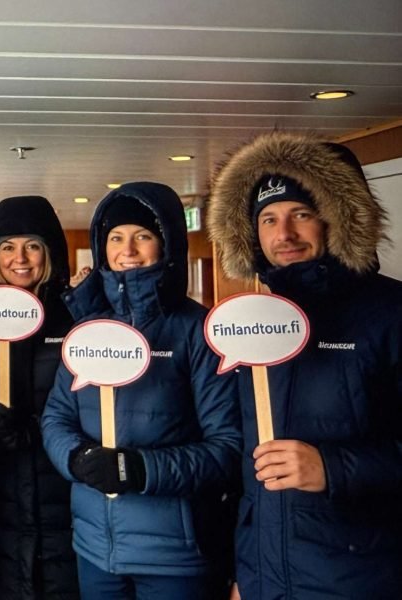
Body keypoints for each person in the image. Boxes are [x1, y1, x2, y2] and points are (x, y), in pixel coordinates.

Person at [208, 131, 402, 600]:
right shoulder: (251, 323)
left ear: (339, 218)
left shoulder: (391, 313)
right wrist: (245, 571)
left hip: (360, 574)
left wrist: (333, 467)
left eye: (301, 214)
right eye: (268, 218)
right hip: (265, 574)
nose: (284, 235)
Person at [42, 182, 242, 600]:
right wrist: (78, 458)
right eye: (116, 237)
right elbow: (56, 417)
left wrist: (141, 469)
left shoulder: (198, 331)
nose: (127, 250)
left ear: (167, 244)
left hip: (175, 555)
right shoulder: (88, 330)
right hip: (95, 548)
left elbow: (227, 447)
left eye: (143, 236)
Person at [0, 195, 79, 599]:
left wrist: (39, 429)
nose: (20, 258)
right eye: (7, 247)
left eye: (32, 245)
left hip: (62, 492)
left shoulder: (76, 318)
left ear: (49, 253)